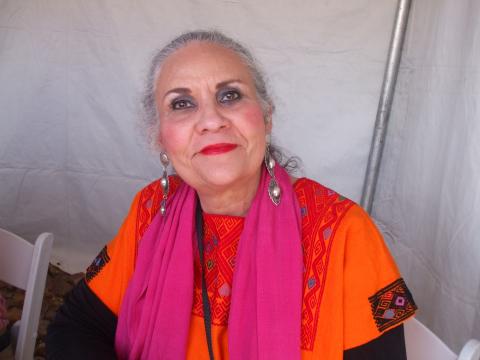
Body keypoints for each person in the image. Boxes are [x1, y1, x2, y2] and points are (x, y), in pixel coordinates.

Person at [46, 30, 416, 360]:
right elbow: (75, 325)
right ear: (159, 137)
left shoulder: (344, 232)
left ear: (267, 117)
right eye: (181, 103)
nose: (211, 120)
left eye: (230, 95)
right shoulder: (150, 210)